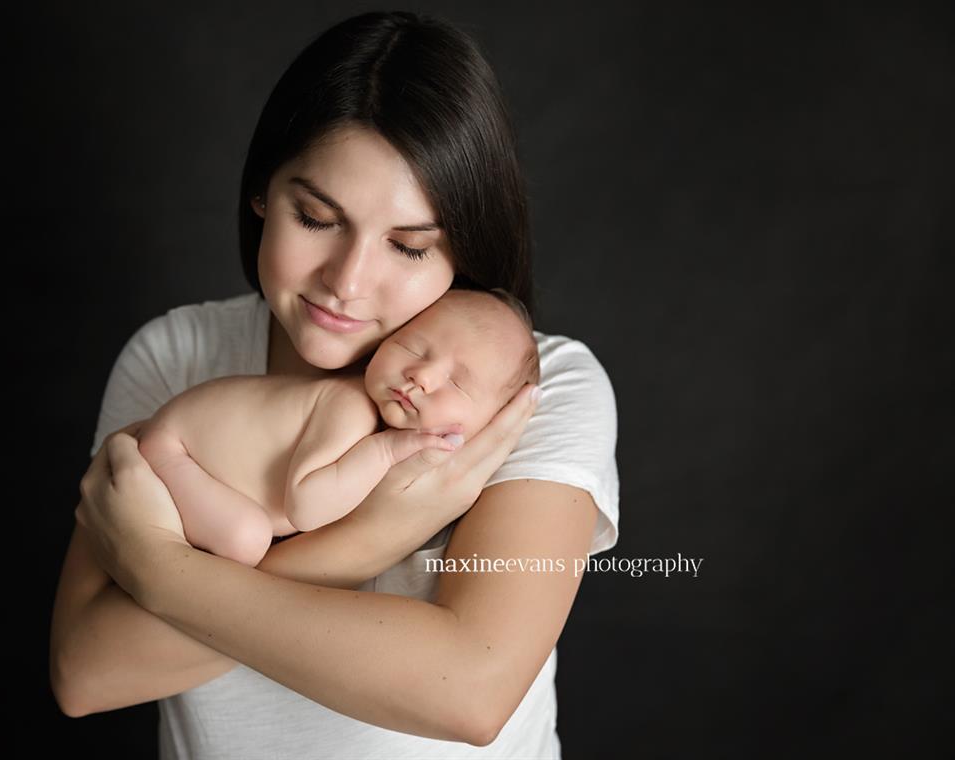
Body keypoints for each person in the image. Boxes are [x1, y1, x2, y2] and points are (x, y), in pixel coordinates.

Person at [51, 10, 619, 759]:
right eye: (316, 217)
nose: (347, 283)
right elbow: (87, 672)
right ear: (262, 192)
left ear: (465, 247)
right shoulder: (177, 357)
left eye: (408, 247)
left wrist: (158, 571)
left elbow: (469, 690)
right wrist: (363, 541)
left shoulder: (530, 391)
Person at [136, 288, 542, 566]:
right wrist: (386, 451)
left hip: (184, 438)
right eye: (413, 347)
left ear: (494, 425)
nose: (421, 375)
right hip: (174, 447)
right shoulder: (351, 407)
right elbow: (307, 507)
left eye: (457, 383)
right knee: (247, 540)